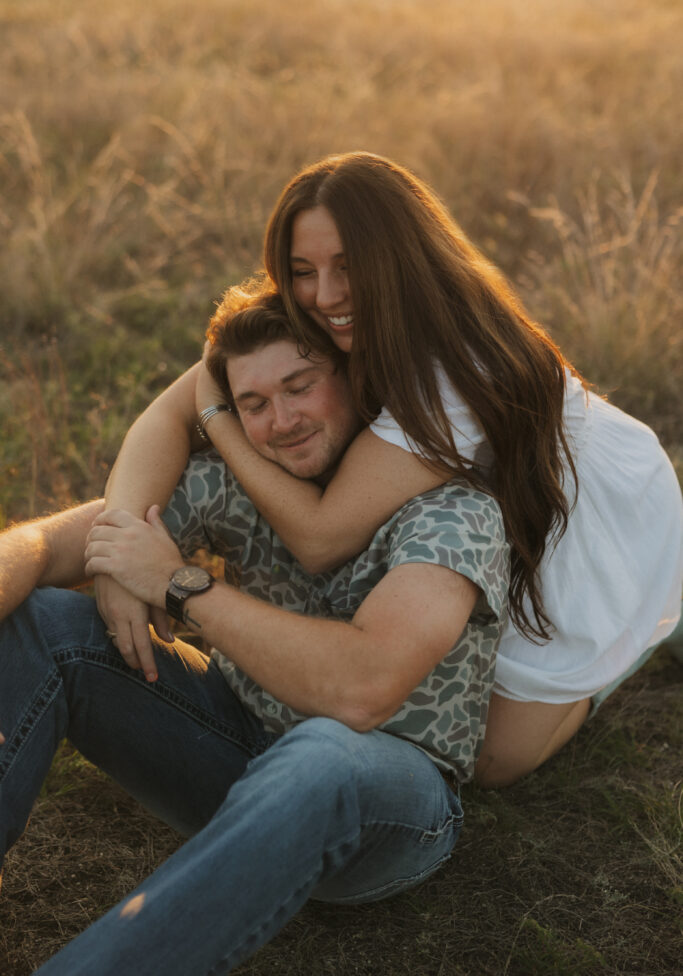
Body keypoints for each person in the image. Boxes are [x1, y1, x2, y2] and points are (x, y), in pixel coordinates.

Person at [100, 152, 683, 788]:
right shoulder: (312, 318)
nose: (324, 295)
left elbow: (321, 538)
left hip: (596, 512)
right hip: (501, 492)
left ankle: (621, 653)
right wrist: (117, 552)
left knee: (494, 761)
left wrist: (216, 419)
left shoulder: (456, 372)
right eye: (303, 270)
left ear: (399, 254)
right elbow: (162, 418)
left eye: (348, 267)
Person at [0, 291, 509, 975]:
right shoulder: (252, 479)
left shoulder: (452, 512)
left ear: (358, 382)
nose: (282, 422)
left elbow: (361, 692)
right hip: (238, 741)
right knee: (46, 622)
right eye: (255, 405)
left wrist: (178, 583)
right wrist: (118, 554)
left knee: (322, 752)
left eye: (300, 387)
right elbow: (47, 545)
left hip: (384, 792)